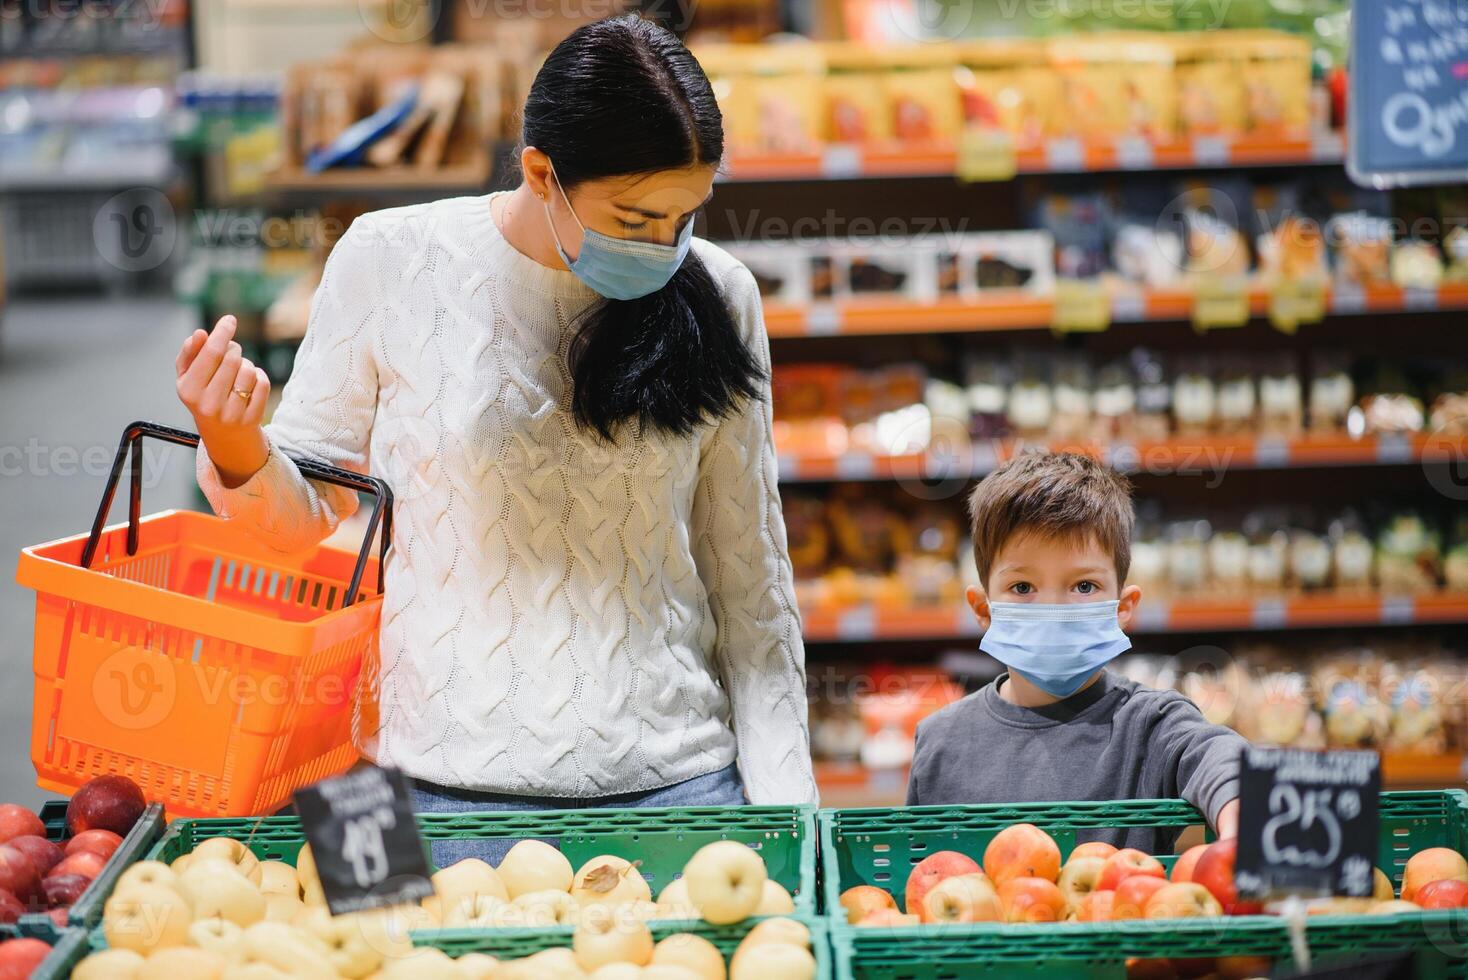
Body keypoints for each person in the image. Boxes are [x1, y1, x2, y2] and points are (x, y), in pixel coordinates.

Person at [172, 16, 817, 857]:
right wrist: (235, 447)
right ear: (541, 173)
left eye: (684, 216)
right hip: (418, 788)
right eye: (633, 217)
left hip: (677, 790)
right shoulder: (391, 258)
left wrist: (790, 817)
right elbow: (302, 523)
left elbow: (752, 586)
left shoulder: (721, 292)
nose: (664, 247)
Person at [906, 452, 1243, 853]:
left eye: (1083, 586)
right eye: (1022, 588)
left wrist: (1240, 811)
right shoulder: (942, 741)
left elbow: (1221, 759)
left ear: (1123, 608)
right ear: (983, 609)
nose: (1055, 610)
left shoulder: (1151, 726)